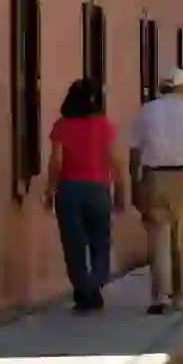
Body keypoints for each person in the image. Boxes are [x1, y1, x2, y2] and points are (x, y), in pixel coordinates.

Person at [128, 66, 183, 315]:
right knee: (182, 238)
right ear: (181, 86)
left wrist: (135, 183)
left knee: (158, 237)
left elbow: (134, 152)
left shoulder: (146, 112)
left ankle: (160, 296)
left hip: (154, 177)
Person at [43, 79, 125, 313]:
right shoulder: (103, 125)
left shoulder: (62, 126)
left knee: (73, 244)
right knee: (100, 241)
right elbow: (115, 161)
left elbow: (56, 162)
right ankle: (94, 285)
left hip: (69, 190)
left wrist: (51, 190)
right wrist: (120, 190)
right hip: (98, 189)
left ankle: (82, 288)